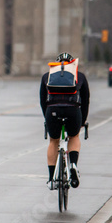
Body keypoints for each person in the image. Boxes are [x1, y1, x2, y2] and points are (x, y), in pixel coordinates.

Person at [39, 52, 90, 190]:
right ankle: (73, 164)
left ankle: (51, 179)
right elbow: (85, 101)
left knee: (53, 141)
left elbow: (43, 100)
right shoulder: (80, 76)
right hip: (73, 111)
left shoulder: (47, 76)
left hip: (52, 112)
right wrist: (82, 121)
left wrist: (47, 118)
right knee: (74, 136)